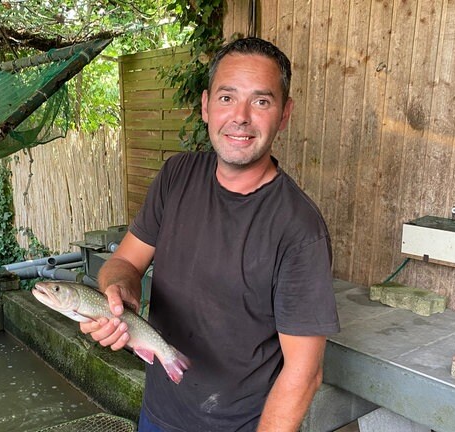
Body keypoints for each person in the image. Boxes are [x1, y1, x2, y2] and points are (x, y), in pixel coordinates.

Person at [80, 37, 340, 432]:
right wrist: (119, 297)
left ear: (284, 115)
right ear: (205, 106)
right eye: (226, 98)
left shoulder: (299, 230)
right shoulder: (177, 176)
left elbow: (304, 375)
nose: (240, 116)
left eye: (261, 101)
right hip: (158, 412)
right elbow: (125, 262)